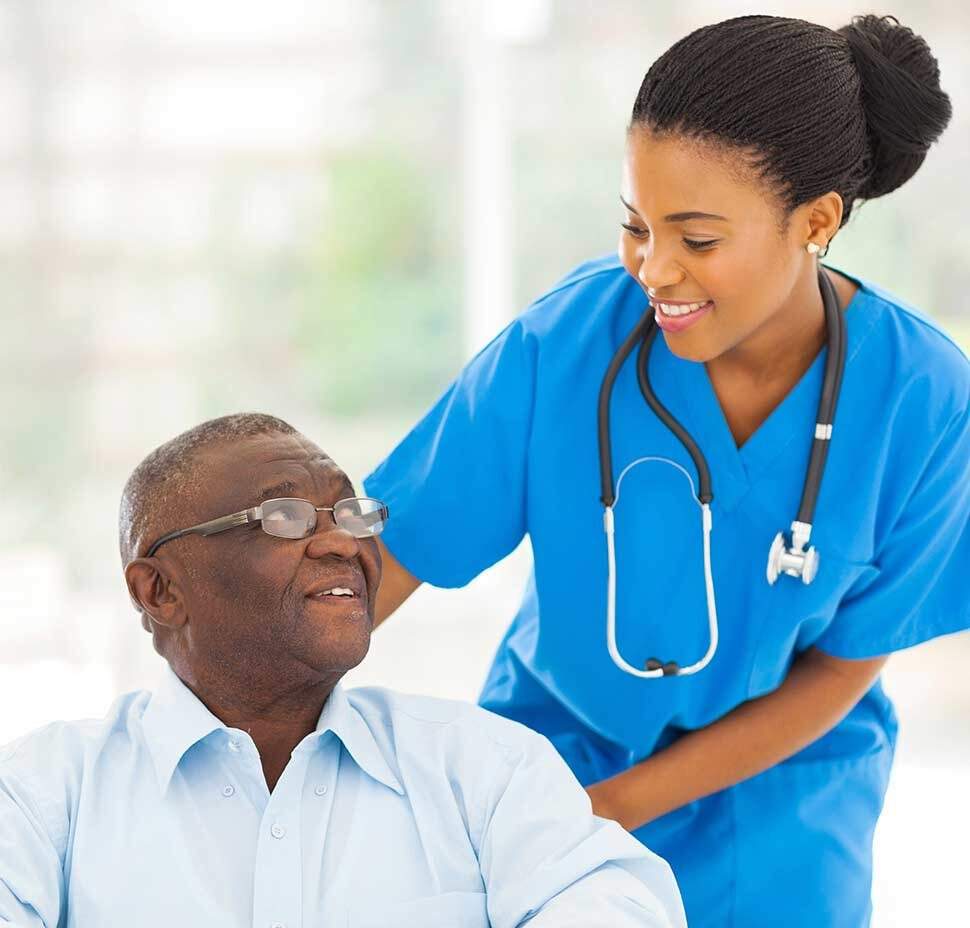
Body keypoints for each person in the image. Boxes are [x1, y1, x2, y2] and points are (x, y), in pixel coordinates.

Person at [363, 13, 969, 928]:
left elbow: (844, 668)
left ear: (816, 221)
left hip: (784, 807)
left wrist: (614, 810)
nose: (654, 269)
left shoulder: (922, 401)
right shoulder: (564, 347)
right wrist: (243, 719)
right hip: (552, 771)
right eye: (636, 226)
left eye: (698, 239)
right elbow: (389, 556)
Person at [0, 414, 687, 928]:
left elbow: (616, 906)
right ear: (160, 591)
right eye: (285, 516)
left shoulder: (484, 768)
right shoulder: (43, 795)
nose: (341, 541)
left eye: (351, 513)